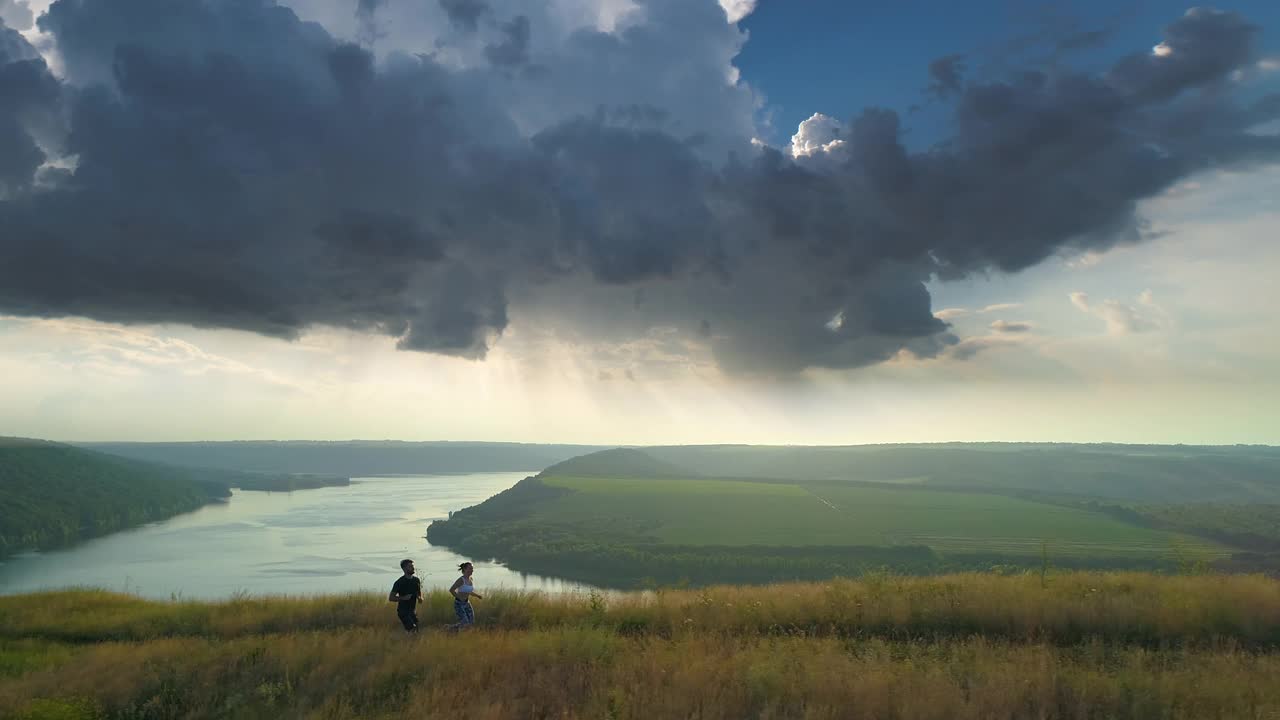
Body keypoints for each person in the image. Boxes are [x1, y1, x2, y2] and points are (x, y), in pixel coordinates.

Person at [388, 558, 423, 633]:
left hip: (412, 611)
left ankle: (409, 643)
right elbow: (391, 598)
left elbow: (418, 593)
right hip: (403, 611)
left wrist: (420, 598)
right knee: (412, 629)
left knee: (417, 630)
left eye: (413, 566)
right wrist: (403, 598)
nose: (413, 568)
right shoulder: (399, 582)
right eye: (410, 566)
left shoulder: (416, 580)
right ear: (404, 569)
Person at [448, 561, 482, 631]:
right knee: (465, 623)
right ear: (465, 569)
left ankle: (452, 629)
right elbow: (451, 590)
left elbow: (469, 591)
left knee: (471, 622)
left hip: (467, 603)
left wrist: (477, 596)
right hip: (459, 604)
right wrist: (459, 597)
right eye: (470, 568)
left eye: (472, 569)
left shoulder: (471, 579)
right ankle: (451, 629)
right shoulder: (461, 580)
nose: (472, 570)